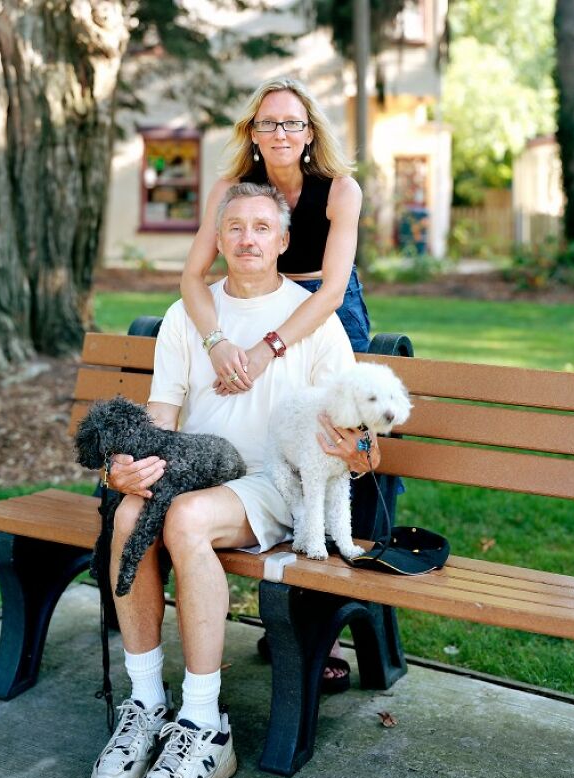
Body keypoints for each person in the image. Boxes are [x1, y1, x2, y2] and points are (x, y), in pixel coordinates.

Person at [90, 183, 381, 778]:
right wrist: (129, 465)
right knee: (134, 510)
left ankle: (203, 726)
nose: (247, 239)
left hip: (274, 483)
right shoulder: (187, 317)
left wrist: (357, 447)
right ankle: (144, 707)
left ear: (281, 241)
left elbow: (357, 438)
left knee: (186, 518)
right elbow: (161, 412)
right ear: (218, 240)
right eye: (235, 228)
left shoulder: (315, 319)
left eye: (261, 228)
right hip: (195, 471)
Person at [181, 77, 371, 686]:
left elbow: (334, 292)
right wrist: (217, 342)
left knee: (334, 454)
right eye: (268, 124)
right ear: (253, 134)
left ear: (310, 132)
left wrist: (267, 349)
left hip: (322, 311)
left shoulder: (340, 190)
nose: (280, 134)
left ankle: (328, 630)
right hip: (248, 307)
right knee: (268, 450)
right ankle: (273, 593)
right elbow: (192, 280)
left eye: (292, 123)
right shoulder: (230, 193)